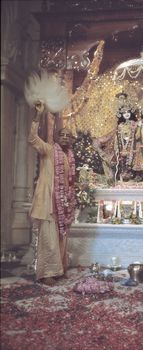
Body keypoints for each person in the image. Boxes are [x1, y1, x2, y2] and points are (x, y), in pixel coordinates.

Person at [28, 101, 76, 286]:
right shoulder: (48, 150)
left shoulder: (69, 156)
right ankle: (46, 273)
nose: (65, 137)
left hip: (62, 203)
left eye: (68, 136)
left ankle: (59, 269)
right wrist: (37, 116)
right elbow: (32, 139)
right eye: (61, 135)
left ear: (71, 140)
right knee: (48, 237)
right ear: (56, 138)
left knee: (61, 236)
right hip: (48, 201)